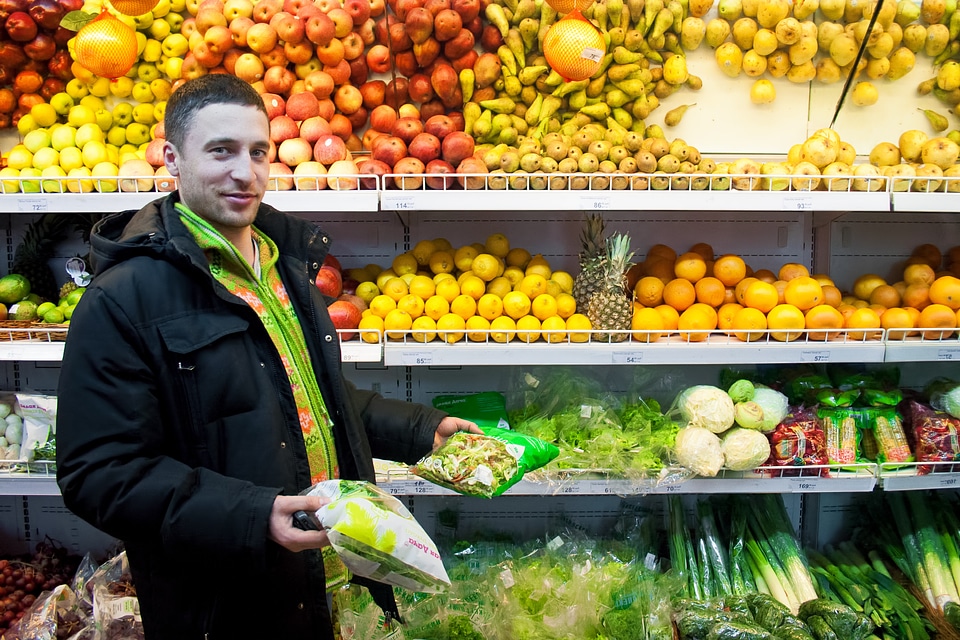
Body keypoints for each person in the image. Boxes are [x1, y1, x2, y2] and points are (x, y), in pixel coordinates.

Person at [55, 73, 478, 639]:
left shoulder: (283, 266)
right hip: (222, 604)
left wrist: (422, 431)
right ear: (172, 159)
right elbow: (99, 473)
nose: (245, 172)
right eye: (221, 151)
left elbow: (303, 393)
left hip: (321, 582)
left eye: (258, 152)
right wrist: (253, 516)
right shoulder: (123, 298)